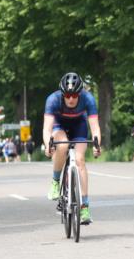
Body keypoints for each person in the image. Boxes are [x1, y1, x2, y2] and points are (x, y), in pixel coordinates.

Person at [43, 72, 102, 225]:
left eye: (74, 95)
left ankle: (84, 207)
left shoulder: (88, 99)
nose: (71, 99)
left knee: (81, 160)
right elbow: (47, 128)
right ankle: (56, 182)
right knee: (62, 145)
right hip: (59, 126)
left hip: (79, 127)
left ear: (80, 93)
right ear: (62, 94)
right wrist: (47, 144)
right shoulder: (53, 99)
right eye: (67, 95)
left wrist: (97, 145)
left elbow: (95, 127)